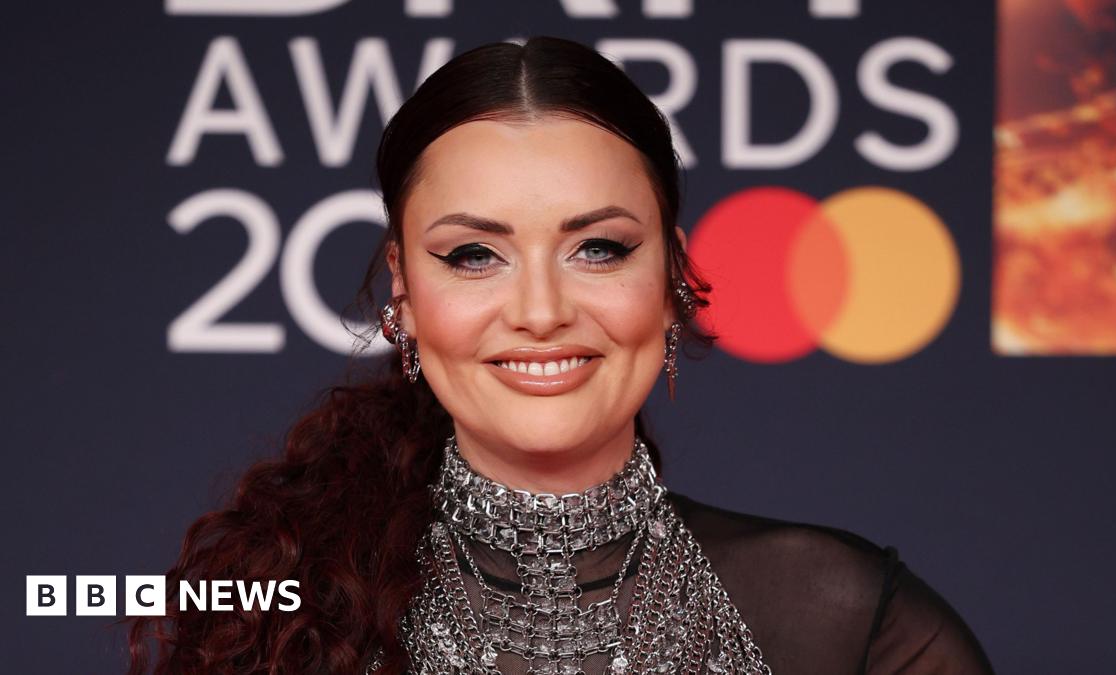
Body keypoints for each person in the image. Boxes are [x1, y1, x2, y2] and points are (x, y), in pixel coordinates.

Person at [127, 36, 994, 675]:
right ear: (403, 289)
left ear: (671, 275)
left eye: (600, 248)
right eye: (474, 255)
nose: (540, 311)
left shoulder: (845, 621)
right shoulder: (278, 613)